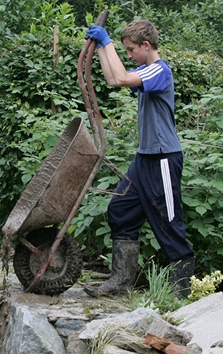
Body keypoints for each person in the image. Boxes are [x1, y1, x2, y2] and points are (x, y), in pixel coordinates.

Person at [83, 19, 195, 298]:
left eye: (131, 50)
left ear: (146, 46)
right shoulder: (146, 70)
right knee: (120, 211)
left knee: (169, 224)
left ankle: (179, 295)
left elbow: (121, 77)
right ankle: (120, 284)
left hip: (164, 160)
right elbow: (114, 79)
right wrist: (100, 48)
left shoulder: (160, 71)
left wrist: (107, 42)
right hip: (144, 159)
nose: (129, 56)